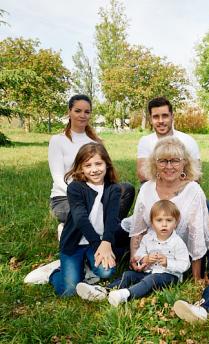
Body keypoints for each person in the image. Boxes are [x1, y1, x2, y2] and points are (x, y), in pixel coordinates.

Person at [24, 95, 134, 285]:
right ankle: (68, 251)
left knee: (126, 189)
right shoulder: (58, 140)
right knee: (83, 214)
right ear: (69, 112)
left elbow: (103, 169)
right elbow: (58, 177)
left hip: (96, 192)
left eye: (87, 112)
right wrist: (84, 194)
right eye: (78, 111)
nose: (82, 115)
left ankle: (107, 236)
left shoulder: (95, 140)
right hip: (65, 197)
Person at [127, 136, 209, 281]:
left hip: (177, 256)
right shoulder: (147, 188)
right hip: (150, 251)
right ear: (155, 163)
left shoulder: (193, 191)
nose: (169, 166)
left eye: (175, 160)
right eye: (163, 161)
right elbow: (138, 230)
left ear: (184, 162)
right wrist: (135, 259)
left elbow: (196, 236)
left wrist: (197, 278)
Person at [75, 200, 190, 306]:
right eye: (159, 220)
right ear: (152, 223)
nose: (164, 224)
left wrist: (167, 263)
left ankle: (126, 295)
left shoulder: (177, 242)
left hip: (169, 276)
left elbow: (185, 264)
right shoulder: (148, 238)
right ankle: (104, 291)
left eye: (169, 220)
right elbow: (138, 257)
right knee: (128, 275)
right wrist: (145, 259)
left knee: (151, 280)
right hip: (148, 272)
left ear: (176, 222)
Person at [48, 143, 123, 296]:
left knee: (106, 272)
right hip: (73, 243)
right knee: (69, 291)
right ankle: (55, 273)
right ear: (81, 168)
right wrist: (98, 245)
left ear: (107, 164)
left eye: (98, 163)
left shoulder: (113, 189)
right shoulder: (75, 188)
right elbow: (80, 218)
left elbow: (112, 218)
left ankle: (87, 266)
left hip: (100, 241)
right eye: (88, 165)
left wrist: (106, 243)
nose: (94, 169)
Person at [136, 97, 200, 183]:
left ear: (172, 117)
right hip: (153, 190)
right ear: (151, 119)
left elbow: (196, 175)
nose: (161, 121)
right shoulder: (145, 141)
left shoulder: (188, 141)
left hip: (183, 189)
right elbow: (142, 175)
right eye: (156, 117)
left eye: (165, 116)